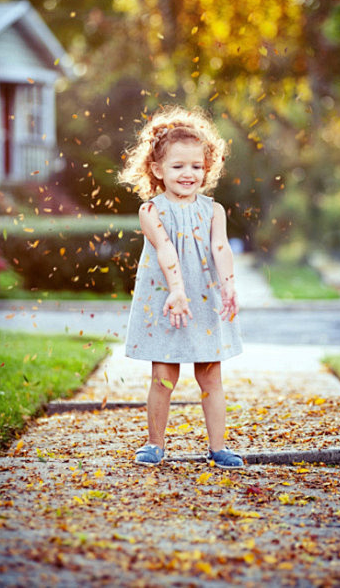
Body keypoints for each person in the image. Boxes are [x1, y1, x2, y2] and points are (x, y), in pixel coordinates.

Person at [118, 105, 244, 469]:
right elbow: (165, 248)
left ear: (208, 168)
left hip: (203, 299)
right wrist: (176, 290)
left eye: (196, 166)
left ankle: (218, 447)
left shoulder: (214, 210)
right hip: (168, 299)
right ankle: (154, 443)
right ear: (157, 170)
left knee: (211, 376)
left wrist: (230, 286)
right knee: (163, 377)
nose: (188, 174)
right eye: (178, 166)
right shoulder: (151, 211)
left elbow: (220, 248)